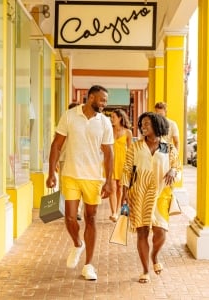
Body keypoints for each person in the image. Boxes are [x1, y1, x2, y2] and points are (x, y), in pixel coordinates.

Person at [46, 85, 114, 281]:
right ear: (91, 97)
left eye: (106, 101)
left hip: (93, 177)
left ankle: (89, 265)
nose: (104, 104)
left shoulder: (104, 122)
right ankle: (77, 244)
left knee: (91, 218)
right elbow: (56, 145)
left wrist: (109, 181)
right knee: (69, 218)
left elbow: (109, 153)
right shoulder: (69, 116)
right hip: (71, 174)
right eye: (102, 100)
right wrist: (51, 173)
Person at [120, 112, 180, 284]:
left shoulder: (166, 147)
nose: (143, 127)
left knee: (161, 232)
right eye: (142, 124)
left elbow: (177, 166)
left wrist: (173, 170)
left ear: (157, 125)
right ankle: (145, 270)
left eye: (147, 123)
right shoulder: (135, 147)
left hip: (161, 195)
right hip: (139, 194)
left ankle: (154, 256)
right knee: (142, 232)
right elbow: (127, 170)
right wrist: (124, 193)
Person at [58, 102, 83, 220]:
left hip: (79, 161)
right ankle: (66, 209)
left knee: (79, 186)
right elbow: (56, 145)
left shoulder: (83, 126)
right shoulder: (64, 123)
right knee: (64, 187)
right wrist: (55, 162)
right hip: (64, 159)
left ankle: (76, 211)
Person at [108, 109, 133, 222]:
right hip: (110, 162)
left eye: (113, 117)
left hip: (123, 163)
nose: (111, 119)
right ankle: (113, 212)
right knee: (112, 188)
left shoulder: (128, 132)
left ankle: (117, 211)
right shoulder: (108, 130)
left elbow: (130, 150)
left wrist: (131, 165)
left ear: (120, 118)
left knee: (119, 188)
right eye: (111, 117)